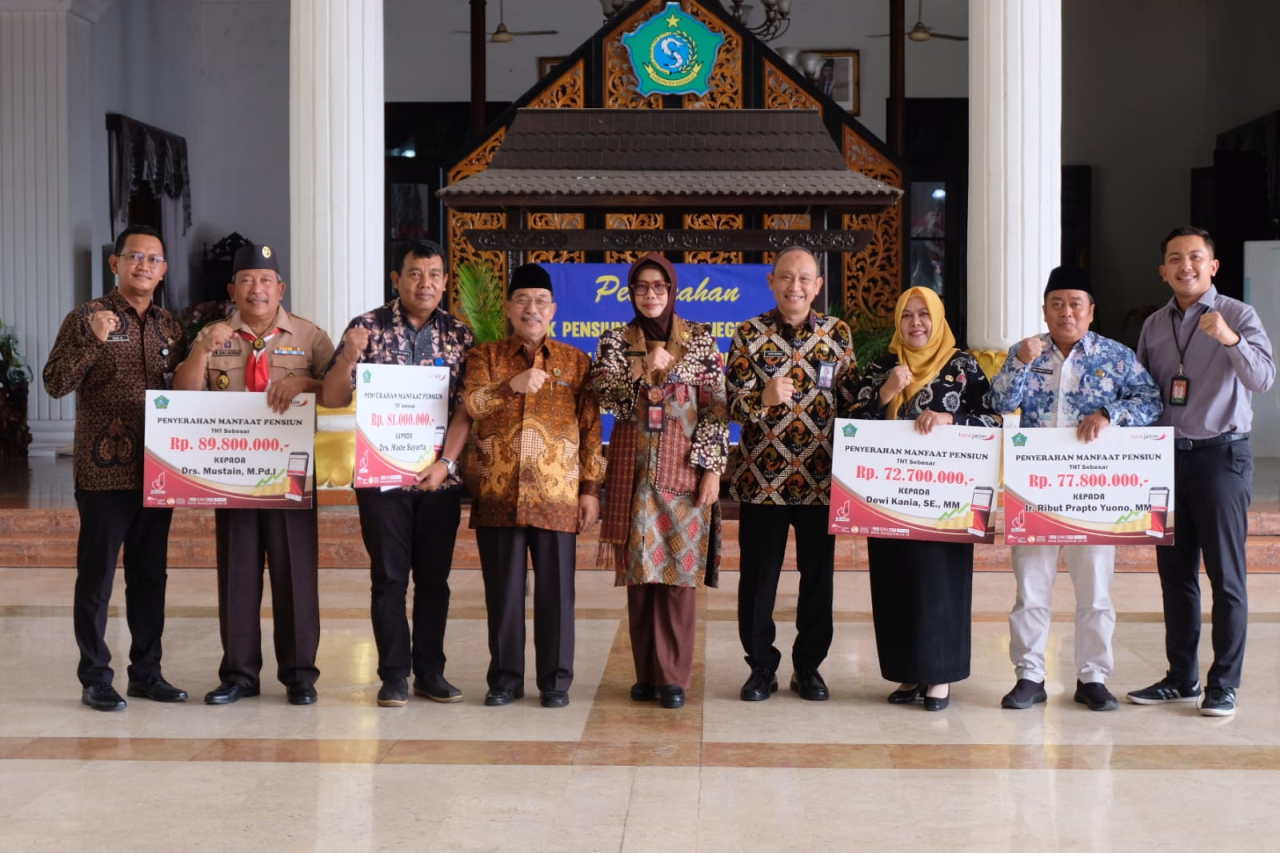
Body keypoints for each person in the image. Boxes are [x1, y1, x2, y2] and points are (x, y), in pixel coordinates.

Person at [989, 266, 1162, 712]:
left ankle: (1092, 678)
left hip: (1094, 493)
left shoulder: (1115, 356)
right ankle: (1029, 675)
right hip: (1037, 491)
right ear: (1045, 309)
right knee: (1031, 590)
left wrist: (1109, 413)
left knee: (1097, 592)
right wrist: (1020, 363)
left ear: (1090, 311)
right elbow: (998, 403)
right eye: (1057, 303)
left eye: (1075, 303)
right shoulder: (1027, 352)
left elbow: (1150, 401)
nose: (1066, 312)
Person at [172, 242, 334, 706]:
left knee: (295, 572)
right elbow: (184, 393)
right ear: (232, 289)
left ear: (280, 287)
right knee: (238, 572)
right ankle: (240, 674)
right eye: (247, 280)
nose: (257, 289)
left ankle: (300, 674)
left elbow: (339, 390)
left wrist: (303, 382)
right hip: (233, 471)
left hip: (293, 469)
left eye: (266, 281)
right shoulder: (214, 334)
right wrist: (201, 351)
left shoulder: (309, 335)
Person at [322, 241, 475, 708]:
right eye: (414, 273)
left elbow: (467, 410)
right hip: (380, 479)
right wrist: (349, 356)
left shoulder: (460, 336)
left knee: (434, 580)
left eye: (433, 274)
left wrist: (445, 464)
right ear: (396, 278)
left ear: (446, 281)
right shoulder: (366, 327)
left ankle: (430, 671)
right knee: (388, 578)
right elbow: (330, 398)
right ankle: (393, 675)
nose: (424, 283)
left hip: (438, 479)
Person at [1130, 226, 1274, 717]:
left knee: (1226, 577)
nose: (1185, 266)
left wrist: (1229, 339)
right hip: (1166, 458)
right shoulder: (1153, 325)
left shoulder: (1238, 314)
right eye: (1175, 258)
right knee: (1175, 575)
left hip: (1221, 456)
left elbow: (1263, 378)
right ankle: (1181, 678)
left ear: (1213, 266)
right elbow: (1142, 396)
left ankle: (1224, 684)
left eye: (1195, 257)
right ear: (1163, 270)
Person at [43, 225, 188, 711]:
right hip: (104, 469)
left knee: (151, 576)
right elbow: (55, 382)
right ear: (115, 263)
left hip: (160, 469)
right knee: (98, 575)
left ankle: (147, 673)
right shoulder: (87, 317)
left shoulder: (172, 326)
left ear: (163, 269)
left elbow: (189, 390)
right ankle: (95, 677)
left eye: (153, 259)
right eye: (134, 257)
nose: (143, 265)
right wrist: (92, 341)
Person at [849, 286, 1000, 711]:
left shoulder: (963, 366)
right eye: (907, 315)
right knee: (895, 583)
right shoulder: (883, 364)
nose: (916, 323)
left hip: (945, 503)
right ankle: (908, 672)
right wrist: (884, 393)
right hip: (889, 500)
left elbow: (995, 420)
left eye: (924, 315)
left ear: (938, 319)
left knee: (939, 585)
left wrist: (953, 419)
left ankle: (940, 676)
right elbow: (851, 424)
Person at [463, 262, 605, 709]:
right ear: (508, 308)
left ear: (554, 310)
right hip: (499, 494)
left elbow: (592, 430)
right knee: (503, 593)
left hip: (557, 497)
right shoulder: (485, 357)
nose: (531, 308)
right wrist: (512, 385)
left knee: (556, 595)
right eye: (522, 300)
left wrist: (590, 490)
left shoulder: (575, 361)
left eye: (540, 301)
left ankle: (555, 681)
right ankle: (505, 679)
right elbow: (470, 405)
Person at [591, 253, 729, 710]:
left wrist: (712, 469)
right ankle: (647, 674)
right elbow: (606, 398)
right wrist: (642, 367)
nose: (650, 295)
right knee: (639, 576)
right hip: (633, 473)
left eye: (659, 287)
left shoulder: (700, 340)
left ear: (672, 291)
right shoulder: (615, 340)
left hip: (683, 474)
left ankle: (673, 678)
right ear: (631, 293)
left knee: (675, 576)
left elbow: (715, 408)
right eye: (641, 287)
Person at [726, 246, 857, 702]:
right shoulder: (747, 334)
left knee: (818, 578)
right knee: (759, 578)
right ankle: (761, 666)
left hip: (823, 481)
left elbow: (853, 402)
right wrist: (761, 397)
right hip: (762, 480)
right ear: (771, 282)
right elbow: (731, 405)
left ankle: (809, 667)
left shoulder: (838, 335)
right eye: (786, 277)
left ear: (818, 286)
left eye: (804, 278)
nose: (795, 286)